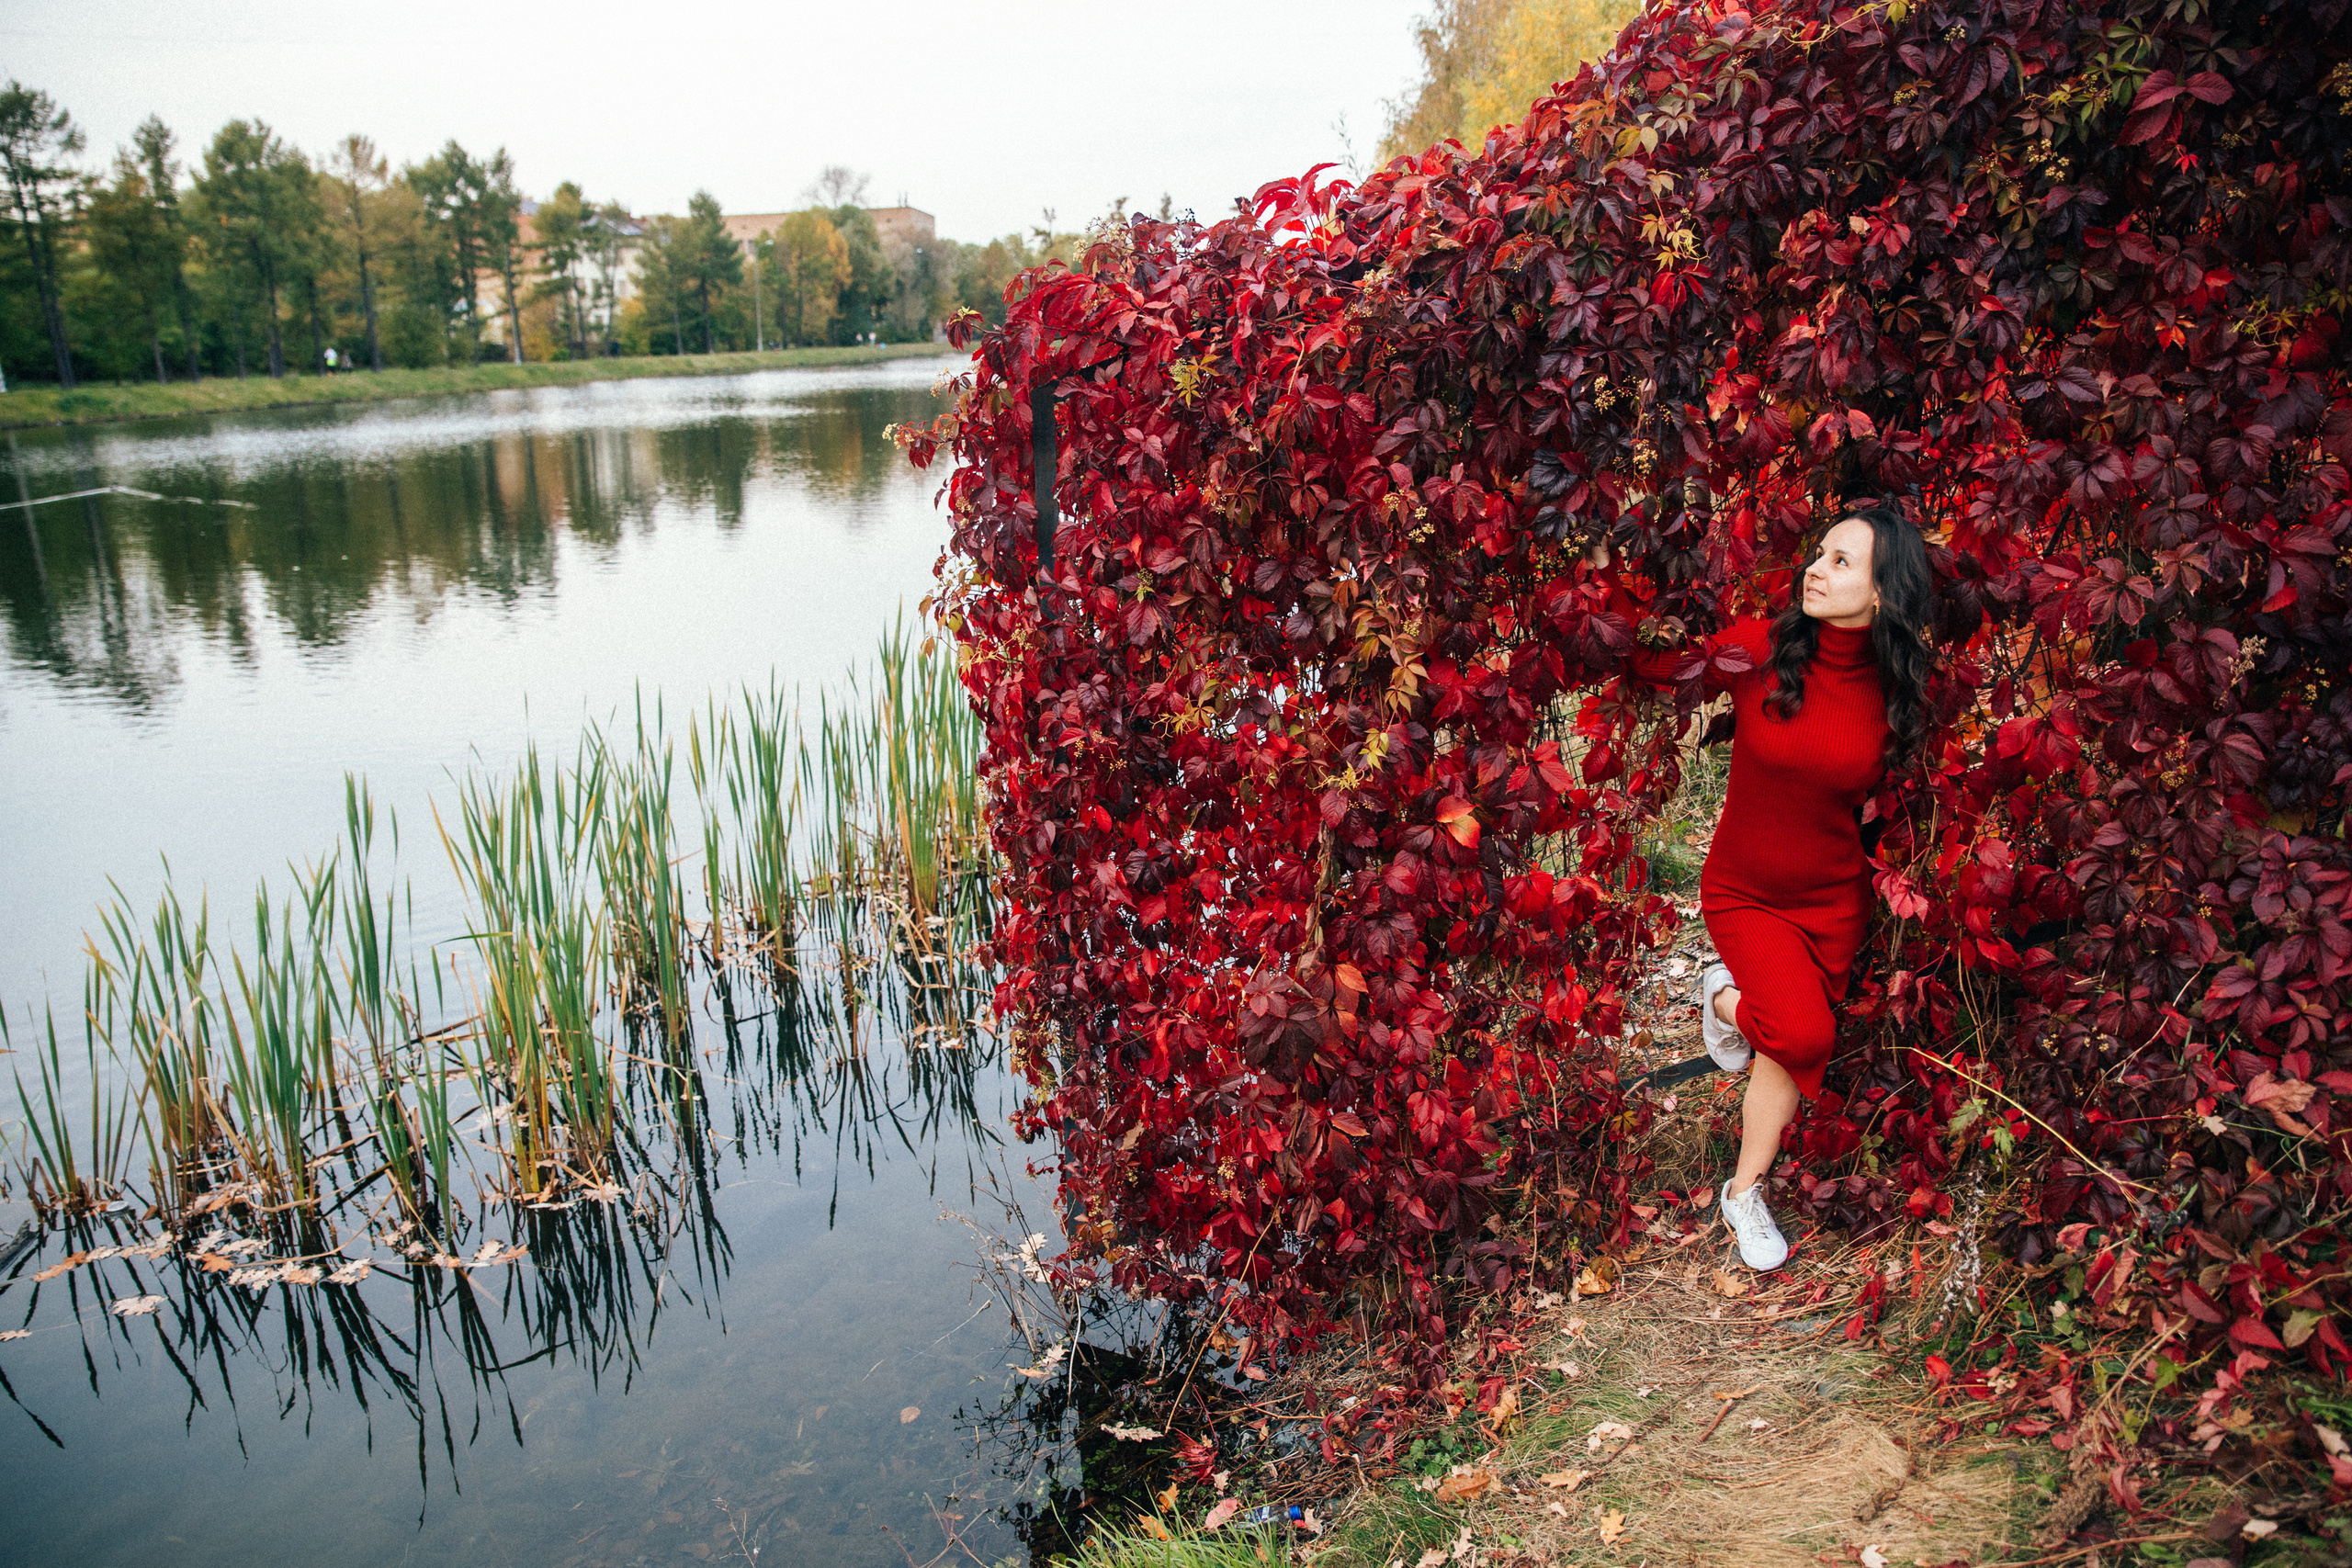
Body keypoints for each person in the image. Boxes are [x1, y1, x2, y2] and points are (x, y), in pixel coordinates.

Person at [1595, 504, 1936, 1269]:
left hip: (1833, 901)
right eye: (1819, 554)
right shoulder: (1761, 648)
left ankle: (1743, 1192)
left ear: (1883, 592)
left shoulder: (1896, 688)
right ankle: (1721, 1000)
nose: (1816, 568)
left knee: (1786, 1045)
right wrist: (1614, 580)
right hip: (1746, 889)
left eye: (1842, 561)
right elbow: (1658, 665)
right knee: (1804, 1031)